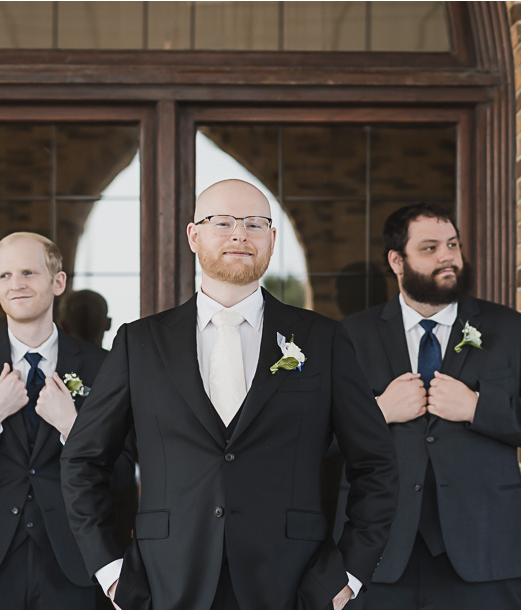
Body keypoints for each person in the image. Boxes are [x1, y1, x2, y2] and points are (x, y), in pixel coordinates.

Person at [61, 179, 398, 609]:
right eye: (223, 222)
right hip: (166, 584)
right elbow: (83, 459)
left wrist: (348, 574)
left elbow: (377, 463)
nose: (240, 234)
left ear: (272, 240)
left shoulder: (322, 339)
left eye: (255, 224)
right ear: (194, 235)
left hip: (294, 583)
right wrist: (110, 573)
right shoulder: (138, 343)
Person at [336, 203, 521, 609]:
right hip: (379, 553)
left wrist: (478, 408)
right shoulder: (351, 336)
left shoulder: (510, 328)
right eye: (430, 248)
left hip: (484, 552)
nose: (448, 256)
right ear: (397, 260)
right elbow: (313, 439)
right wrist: (377, 413)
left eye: (452, 245)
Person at [0, 232, 134, 609]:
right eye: (4, 276)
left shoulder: (102, 365)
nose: (16, 284)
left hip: (73, 562)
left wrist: (73, 426)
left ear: (58, 282)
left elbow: (121, 474)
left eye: (28, 272)